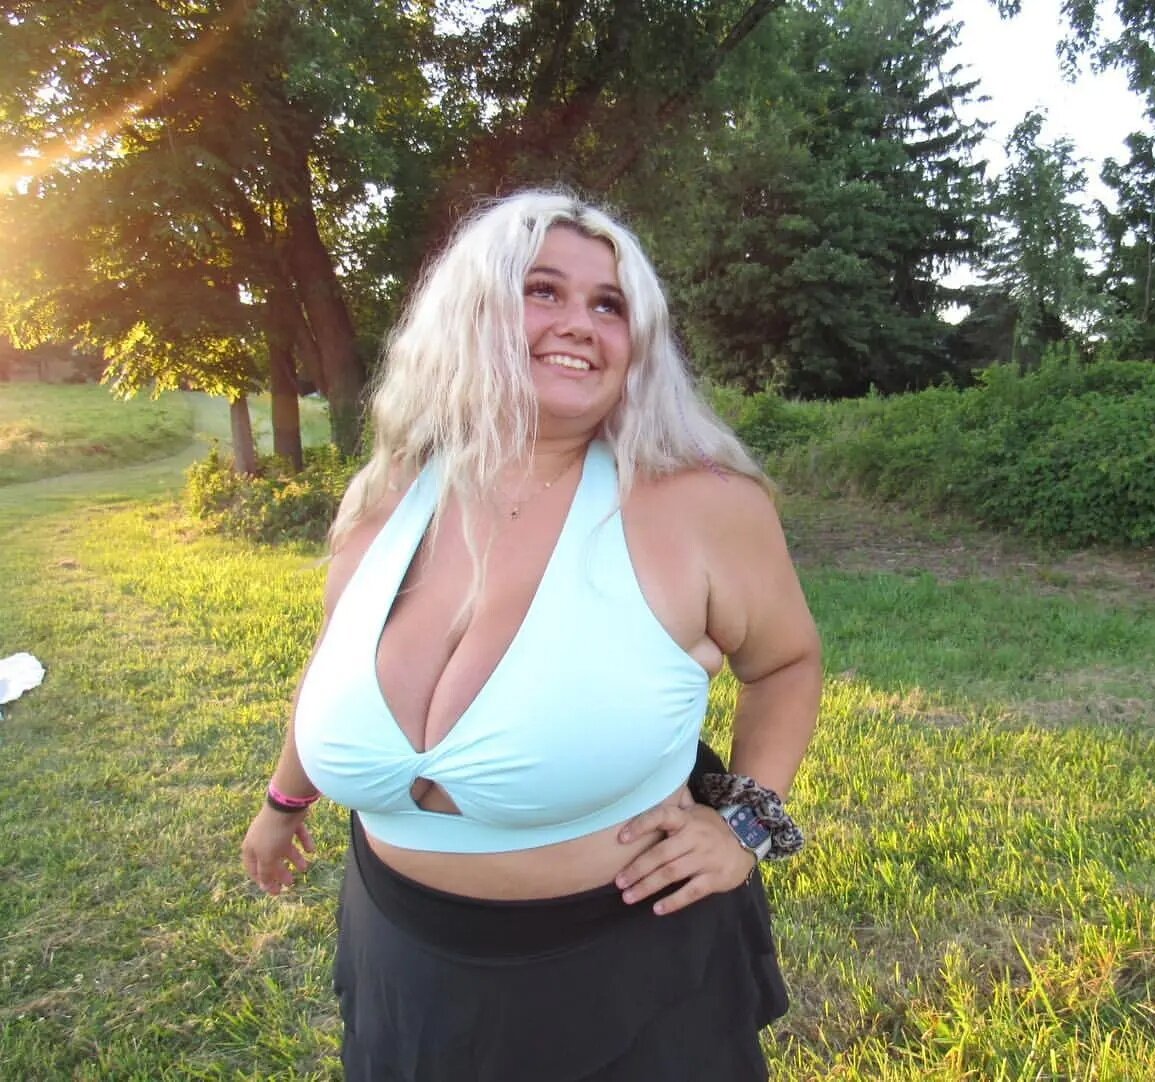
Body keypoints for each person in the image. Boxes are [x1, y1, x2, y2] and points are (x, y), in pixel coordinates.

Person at [240, 189, 823, 1081]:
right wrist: (284, 803)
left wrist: (744, 825)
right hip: (402, 962)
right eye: (542, 290)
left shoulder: (701, 505)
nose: (579, 322)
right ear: (471, 314)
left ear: (638, 346)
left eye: (609, 305)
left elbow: (785, 663)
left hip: (625, 979)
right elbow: (335, 669)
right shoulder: (388, 498)